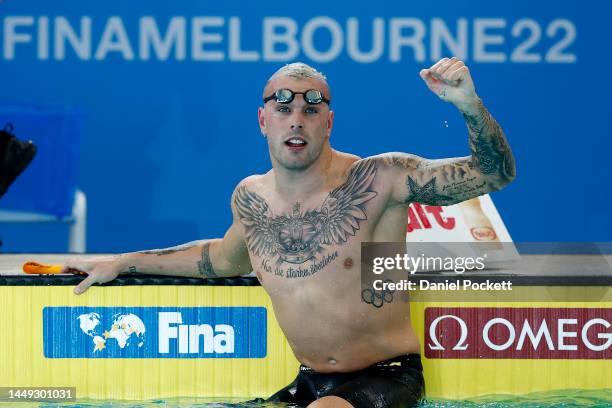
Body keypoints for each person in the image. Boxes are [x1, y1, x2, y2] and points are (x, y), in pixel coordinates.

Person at [65, 57, 516, 408]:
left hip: (387, 377)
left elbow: (494, 175)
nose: (296, 120)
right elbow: (220, 259)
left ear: (329, 122)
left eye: (309, 109)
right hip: (312, 383)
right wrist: (125, 261)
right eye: (283, 109)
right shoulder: (250, 198)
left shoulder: (382, 179)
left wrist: (469, 106)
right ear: (264, 122)